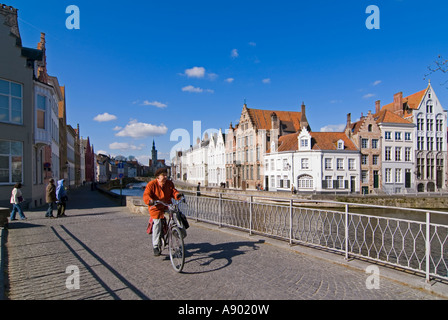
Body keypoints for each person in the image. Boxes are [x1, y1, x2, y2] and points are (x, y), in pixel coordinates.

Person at [143, 168, 182, 256]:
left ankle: (177, 231)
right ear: (158, 177)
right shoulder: (151, 184)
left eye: (166, 175)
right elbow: (146, 194)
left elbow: (173, 191)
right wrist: (150, 200)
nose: (165, 177)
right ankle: (156, 246)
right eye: (163, 175)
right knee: (157, 223)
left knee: (176, 213)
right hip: (155, 207)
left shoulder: (169, 183)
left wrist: (177, 195)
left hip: (166, 204)